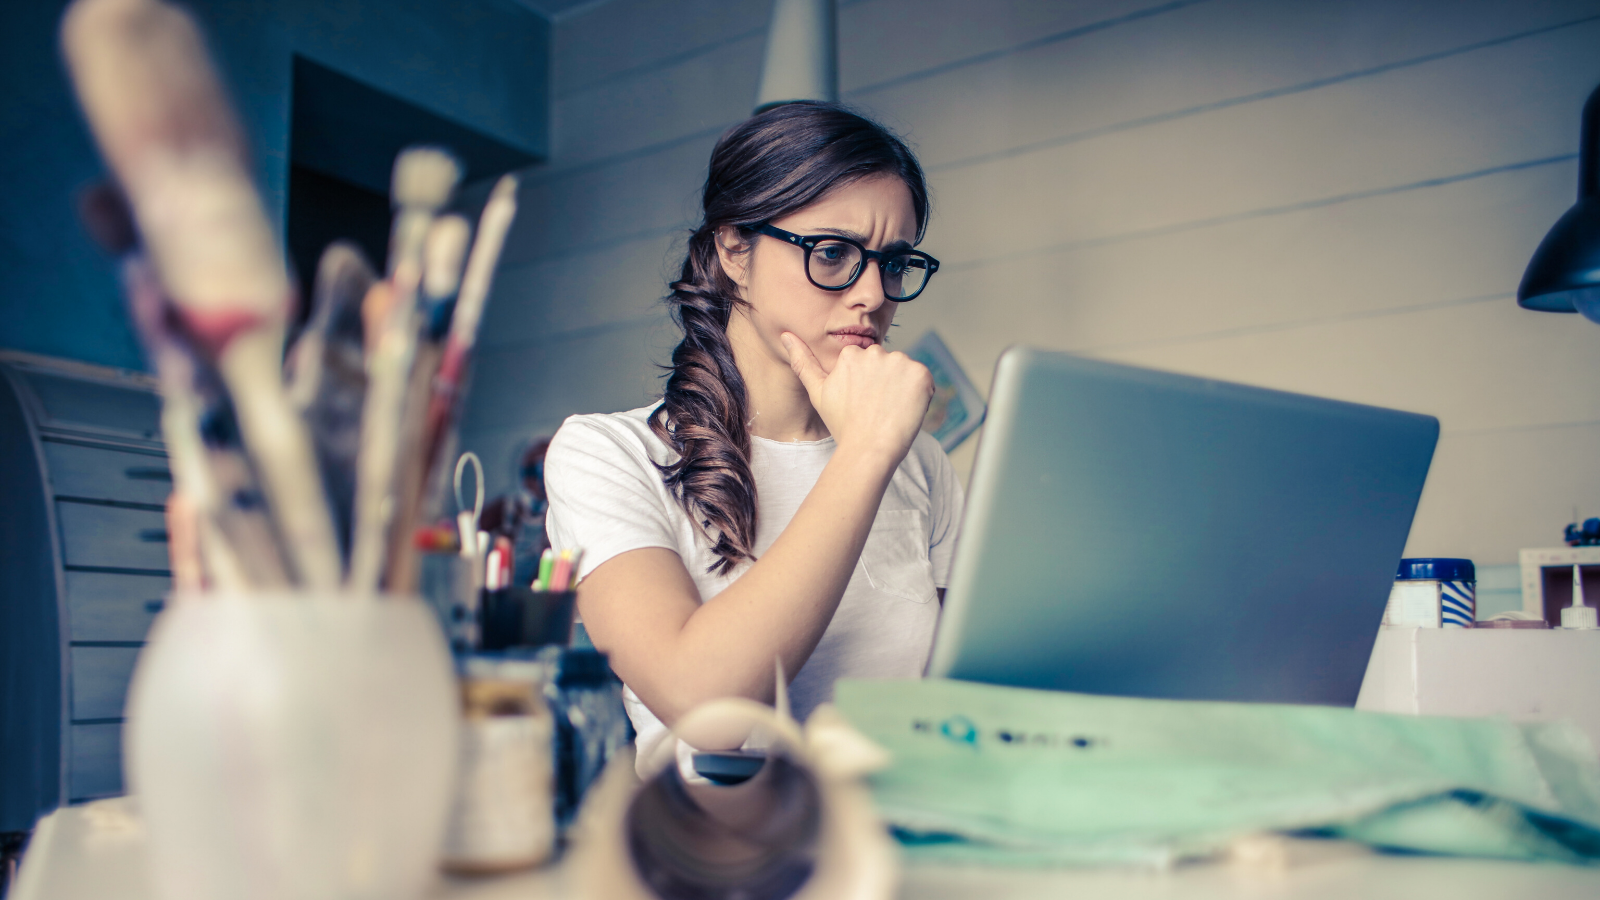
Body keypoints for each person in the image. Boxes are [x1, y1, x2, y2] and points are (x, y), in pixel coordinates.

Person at [543, 101, 961, 767]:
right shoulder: (607, 454)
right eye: (831, 253)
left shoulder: (923, 465)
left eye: (894, 262)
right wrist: (865, 453)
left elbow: (960, 707)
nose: (873, 295)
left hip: (905, 848)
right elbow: (707, 711)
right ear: (735, 250)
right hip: (714, 854)